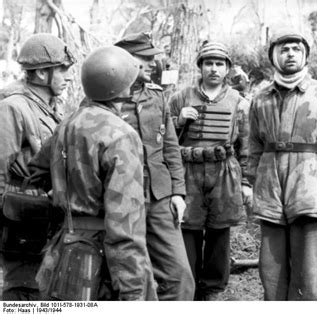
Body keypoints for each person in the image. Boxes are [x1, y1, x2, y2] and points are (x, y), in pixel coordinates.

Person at [28, 46, 158, 301]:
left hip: (63, 250)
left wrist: (67, 196)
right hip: (101, 261)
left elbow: (36, 172)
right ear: (121, 87)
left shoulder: (69, 123)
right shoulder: (121, 135)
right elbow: (125, 228)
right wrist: (133, 293)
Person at [248, 31, 317, 300]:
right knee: (270, 268)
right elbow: (252, 146)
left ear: (305, 55)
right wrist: (247, 183)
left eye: (296, 49)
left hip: (311, 189)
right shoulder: (260, 99)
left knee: (307, 272)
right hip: (270, 189)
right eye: (284, 49)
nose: (290, 54)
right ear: (274, 56)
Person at [168, 41, 252, 301]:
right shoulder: (180, 97)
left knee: (219, 231)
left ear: (227, 69)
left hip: (224, 171)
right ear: (200, 67)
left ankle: (212, 290)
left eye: (219, 64)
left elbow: (247, 146)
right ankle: (188, 286)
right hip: (188, 170)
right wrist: (178, 121)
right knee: (188, 229)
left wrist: (247, 182)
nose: (214, 69)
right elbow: (163, 138)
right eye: (208, 63)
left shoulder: (239, 102)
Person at [114, 32, 195, 301]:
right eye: (145, 58)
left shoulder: (157, 96)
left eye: (153, 58)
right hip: (121, 199)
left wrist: (178, 193)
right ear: (125, 60)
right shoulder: (104, 97)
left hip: (161, 198)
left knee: (180, 277)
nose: (153, 64)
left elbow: (170, 147)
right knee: (131, 279)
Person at [0, 33, 75, 301]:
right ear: (42, 73)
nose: (67, 77)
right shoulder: (12, 107)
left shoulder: (53, 107)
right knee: (23, 288)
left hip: (45, 212)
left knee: (45, 286)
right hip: (20, 214)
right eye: (63, 70)